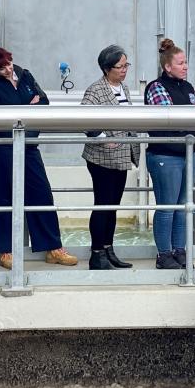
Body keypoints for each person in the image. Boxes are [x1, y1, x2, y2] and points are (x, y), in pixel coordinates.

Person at [0, 48, 77, 269]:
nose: (7, 70)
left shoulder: (25, 75)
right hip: (2, 147)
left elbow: (43, 101)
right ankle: (5, 250)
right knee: (3, 197)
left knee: (41, 193)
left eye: (8, 64)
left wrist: (28, 107)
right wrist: (27, 106)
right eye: (1, 67)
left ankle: (53, 247)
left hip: (29, 144)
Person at [143, 38, 195, 269]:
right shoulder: (156, 87)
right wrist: (189, 123)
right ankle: (164, 254)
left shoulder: (188, 87)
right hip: (165, 155)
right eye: (180, 63)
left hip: (189, 152)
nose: (185, 66)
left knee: (183, 207)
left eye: (186, 62)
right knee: (168, 206)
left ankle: (180, 250)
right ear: (168, 67)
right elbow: (167, 117)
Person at [80, 44, 138, 270]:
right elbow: (84, 119)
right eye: (120, 66)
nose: (124, 70)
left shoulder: (123, 88)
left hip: (122, 155)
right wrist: (105, 138)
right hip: (102, 157)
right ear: (107, 68)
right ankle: (96, 253)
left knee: (113, 205)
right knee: (103, 204)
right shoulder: (96, 90)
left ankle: (108, 248)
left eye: (126, 65)